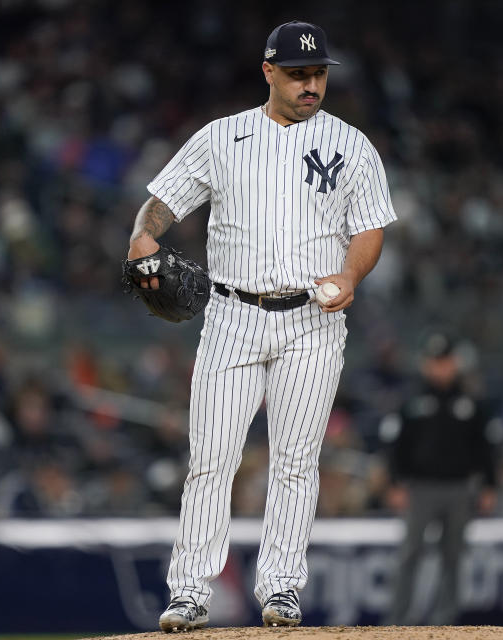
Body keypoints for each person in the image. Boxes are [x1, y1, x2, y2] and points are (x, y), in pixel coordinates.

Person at [126, 20, 396, 632]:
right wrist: (143, 234)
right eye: (298, 73)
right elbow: (165, 200)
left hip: (312, 319)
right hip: (232, 316)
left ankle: (281, 590)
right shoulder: (223, 138)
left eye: (319, 73)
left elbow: (371, 227)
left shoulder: (352, 145)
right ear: (269, 71)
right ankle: (190, 590)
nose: (310, 84)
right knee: (212, 458)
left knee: (296, 461)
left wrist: (350, 277)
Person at [385, 332, 496, 626]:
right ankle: (398, 618)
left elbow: (485, 447)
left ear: (455, 363)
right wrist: (396, 482)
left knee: (453, 554)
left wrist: (489, 485)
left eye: (445, 361)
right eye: (436, 362)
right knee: (410, 553)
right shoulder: (412, 402)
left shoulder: (471, 404)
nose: (441, 368)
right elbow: (397, 445)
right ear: (426, 365)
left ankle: (445, 620)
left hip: (459, 488)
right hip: (421, 488)